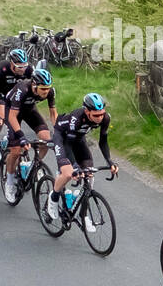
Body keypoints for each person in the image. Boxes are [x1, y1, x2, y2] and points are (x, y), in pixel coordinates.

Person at [45, 92, 118, 231]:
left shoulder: (105, 118)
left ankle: (82, 215)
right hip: (62, 138)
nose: (99, 118)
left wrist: (110, 161)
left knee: (89, 174)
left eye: (102, 114)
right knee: (67, 173)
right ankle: (53, 198)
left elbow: (103, 142)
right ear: (86, 111)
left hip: (78, 139)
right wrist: (74, 165)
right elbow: (68, 145)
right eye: (96, 115)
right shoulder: (76, 118)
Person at [3, 67, 59, 203]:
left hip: (30, 110)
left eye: (48, 88)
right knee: (16, 150)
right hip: (12, 111)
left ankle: (34, 164)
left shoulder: (50, 91)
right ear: (34, 85)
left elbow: (53, 114)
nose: (46, 92)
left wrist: (59, 132)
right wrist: (21, 136)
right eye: (43, 89)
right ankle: (9, 182)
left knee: (46, 140)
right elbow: (12, 116)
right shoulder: (23, 89)